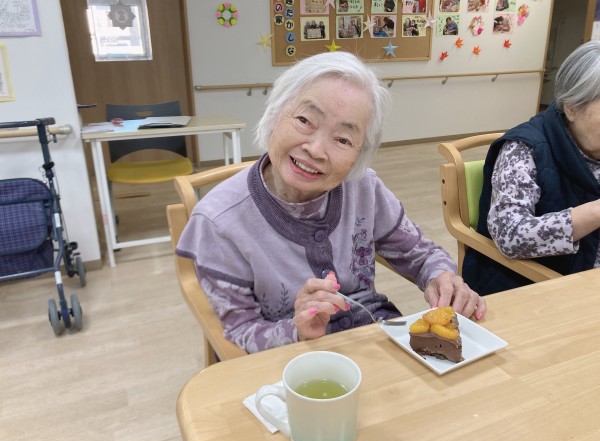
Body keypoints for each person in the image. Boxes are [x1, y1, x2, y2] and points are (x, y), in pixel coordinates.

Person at [176, 52, 486, 354]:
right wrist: (296, 329)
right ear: (274, 114)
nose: (315, 149)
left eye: (343, 139)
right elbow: (241, 331)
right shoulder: (218, 220)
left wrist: (442, 278)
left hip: (371, 340)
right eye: (304, 120)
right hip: (287, 361)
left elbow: (420, 253)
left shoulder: (363, 187)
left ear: (360, 153)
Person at [463, 41, 600, 295]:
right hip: (532, 289)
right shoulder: (524, 148)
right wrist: (595, 212)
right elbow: (510, 234)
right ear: (571, 107)